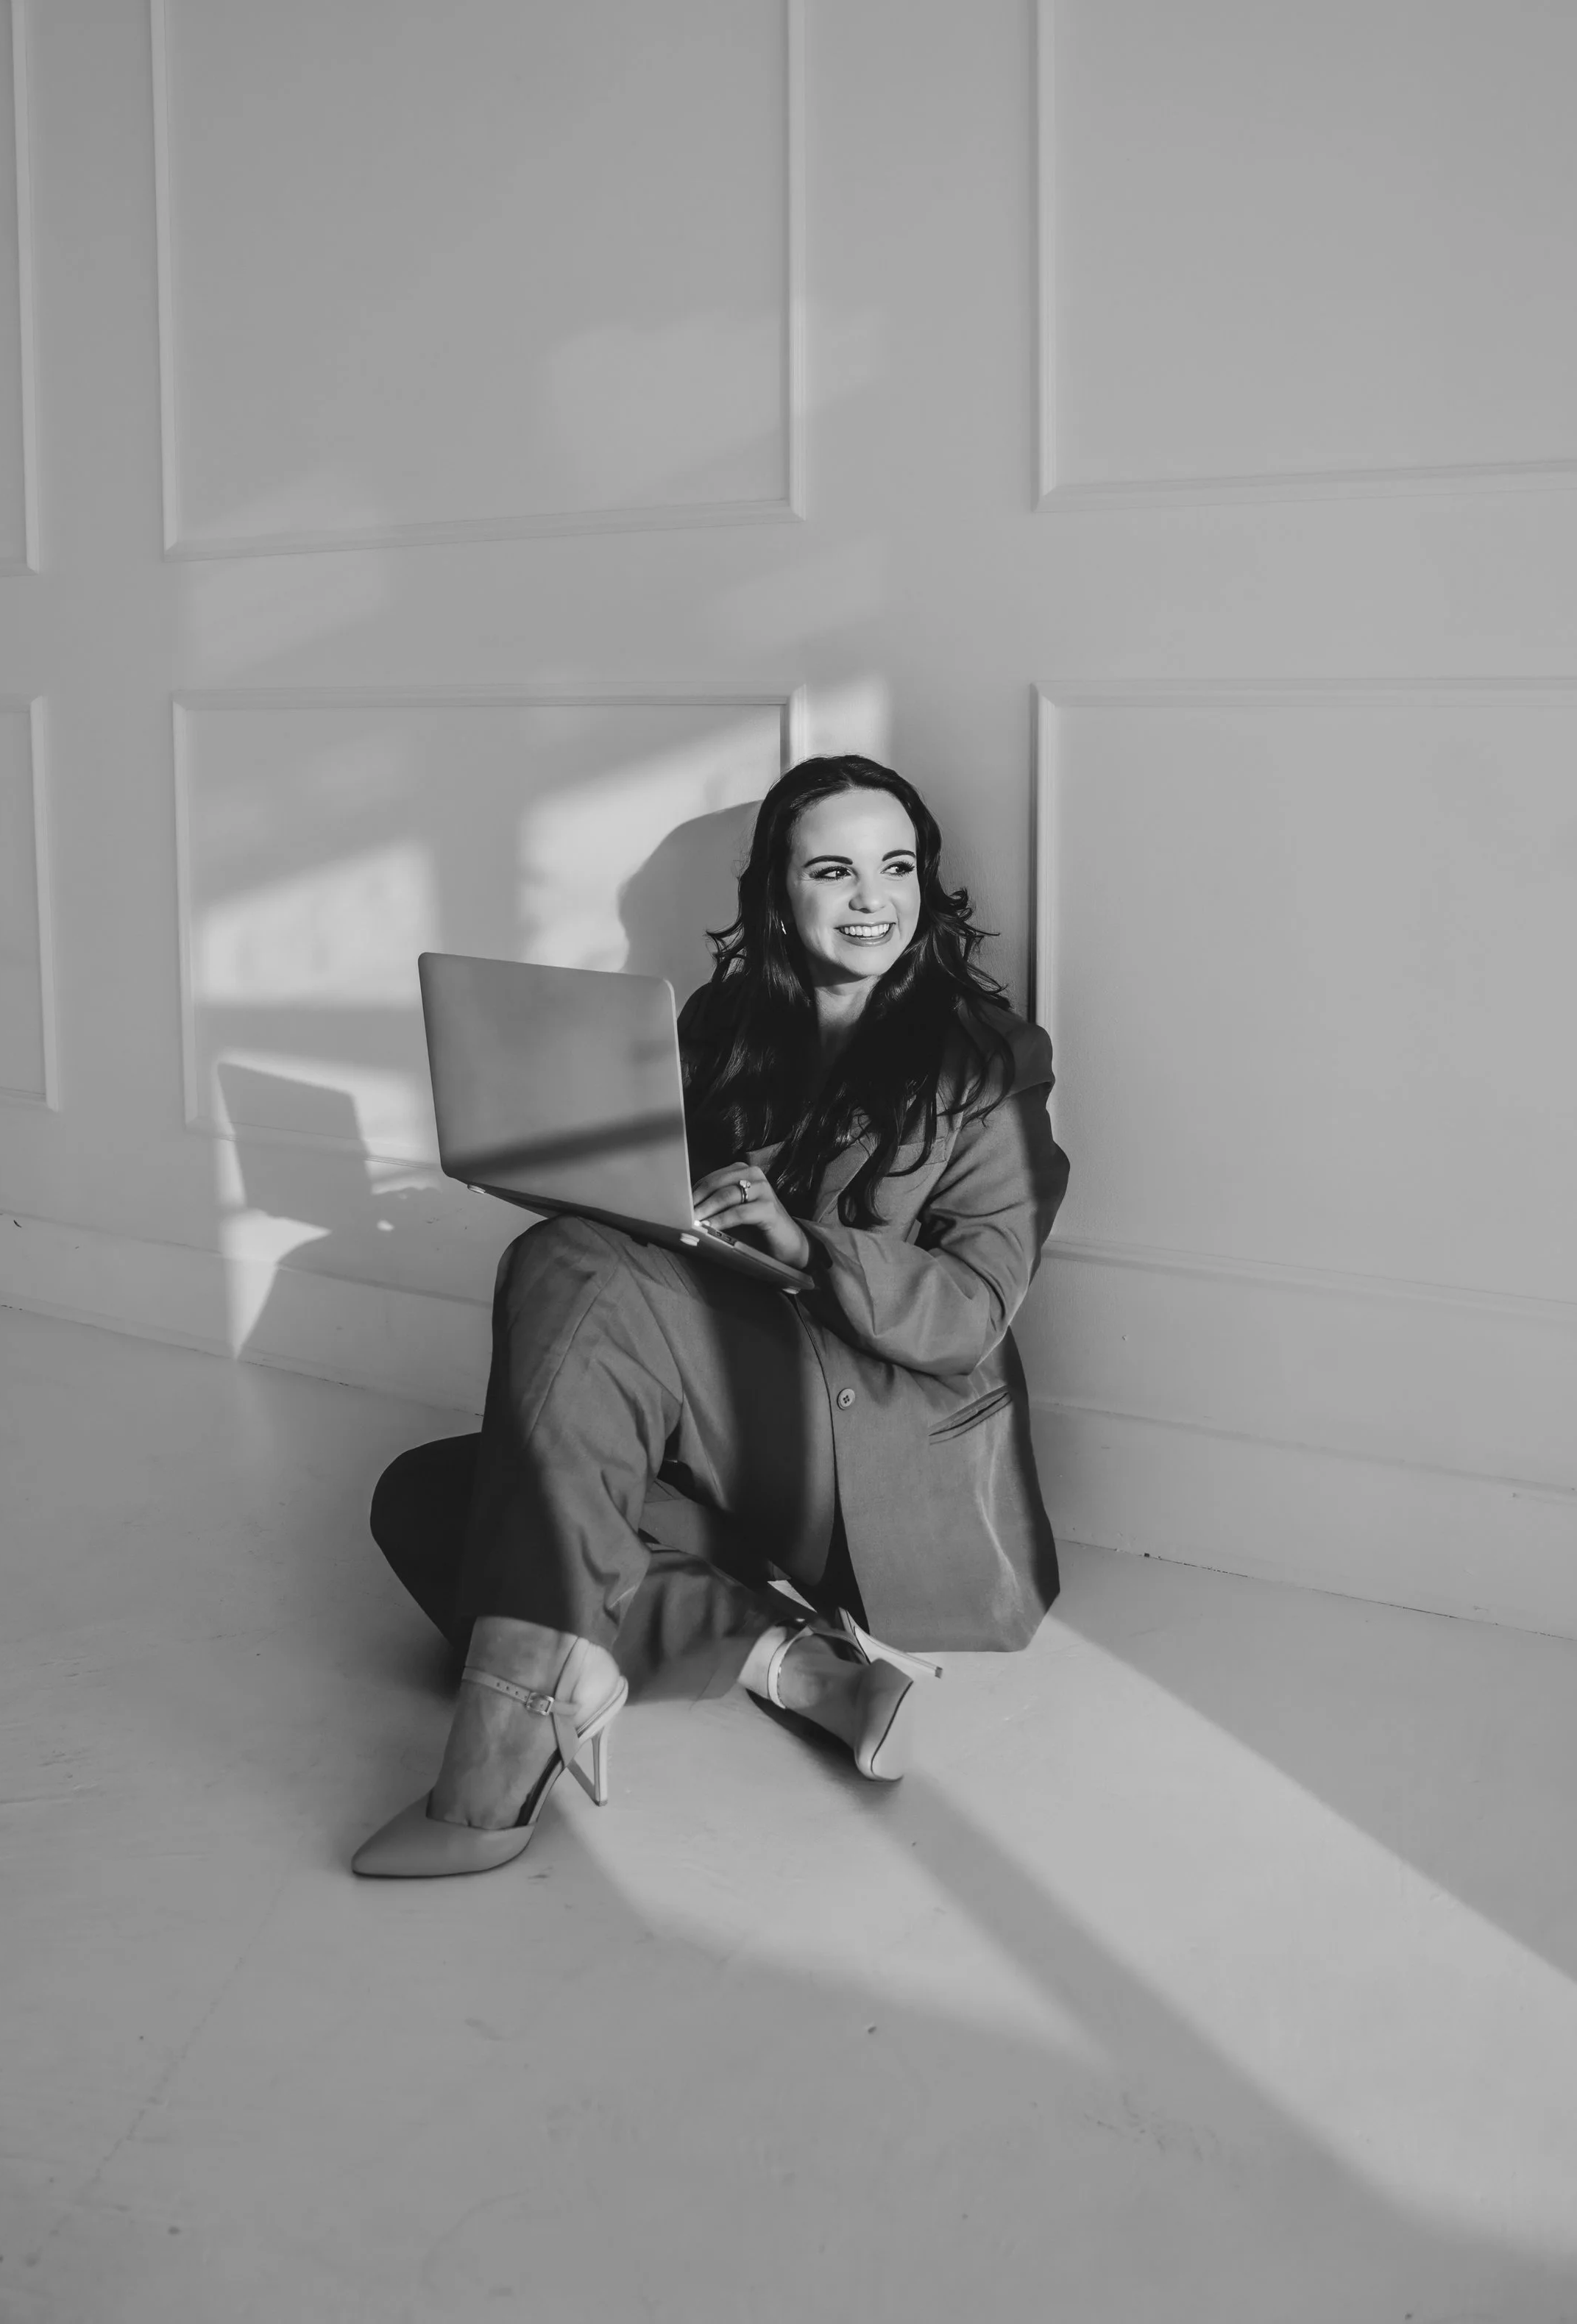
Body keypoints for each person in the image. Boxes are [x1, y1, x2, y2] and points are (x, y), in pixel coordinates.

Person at [352, 754, 1069, 1877]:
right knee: (427, 1498)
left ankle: (508, 1740)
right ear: (779, 894)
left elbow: (973, 1311)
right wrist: (557, 1166)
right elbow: (657, 1227)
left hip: (874, 1464)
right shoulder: (728, 1028)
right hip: (724, 1433)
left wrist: (805, 1243)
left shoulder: (988, 1062)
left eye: (896, 866)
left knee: (566, 1274)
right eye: (833, 870)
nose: (872, 897)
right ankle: (803, 1667)